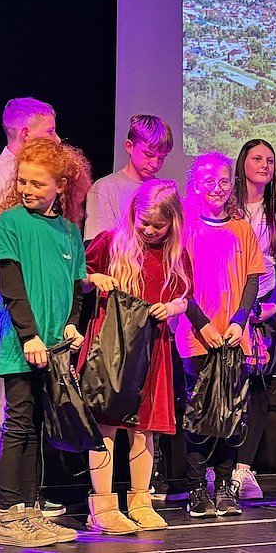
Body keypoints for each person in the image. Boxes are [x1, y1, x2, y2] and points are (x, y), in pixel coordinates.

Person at [0, 97, 64, 525]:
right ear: (25, 134)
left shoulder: (46, 183)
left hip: (36, 309)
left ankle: (26, 494)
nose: (57, 138)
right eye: (49, 130)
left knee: (29, 403)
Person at [0, 138, 91, 547]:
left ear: (61, 185)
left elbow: (76, 288)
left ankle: (29, 511)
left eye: (37, 183)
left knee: (37, 426)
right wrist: (29, 334)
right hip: (24, 342)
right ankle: (8, 515)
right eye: (23, 181)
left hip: (55, 348)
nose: (27, 190)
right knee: (19, 422)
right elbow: (12, 285)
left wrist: (71, 325)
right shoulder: (11, 223)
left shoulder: (69, 232)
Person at [79, 179, 192, 533]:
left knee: (144, 429)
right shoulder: (110, 242)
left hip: (152, 348)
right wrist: (95, 279)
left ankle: (140, 501)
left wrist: (171, 307)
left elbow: (186, 297)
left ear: (173, 222)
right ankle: (102, 505)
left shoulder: (175, 254)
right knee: (106, 424)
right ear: (133, 215)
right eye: (145, 223)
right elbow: (79, 278)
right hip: (112, 346)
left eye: (159, 225)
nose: (150, 231)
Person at [171, 152, 264, 518]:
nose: (217, 188)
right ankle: (197, 488)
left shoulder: (242, 228)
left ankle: (224, 487)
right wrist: (202, 324)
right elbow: (179, 282)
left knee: (232, 415)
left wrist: (240, 321)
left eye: (224, 181)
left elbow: (252, 279)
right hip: (197, 337)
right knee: (199, 415)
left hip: (234, 337)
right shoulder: (186, 227)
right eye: (209, 181)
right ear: (195, 185)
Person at [232, 139, 276, 500]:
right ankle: (216, 471)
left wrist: (273, 303)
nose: (264, 165)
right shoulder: (228, 207)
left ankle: (244, 469)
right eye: (257, 158)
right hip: (230, 307)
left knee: (259, 387)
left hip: (267, 310)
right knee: (226, 387)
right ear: (242, 163)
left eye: (270, 160)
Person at [84, 114, 173, 242]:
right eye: (148, 155)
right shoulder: (105, 188)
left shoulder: (163, 192)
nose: (155, 164)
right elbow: (98, 245)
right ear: (129, 146)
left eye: (162, 158)